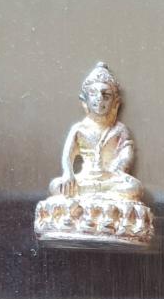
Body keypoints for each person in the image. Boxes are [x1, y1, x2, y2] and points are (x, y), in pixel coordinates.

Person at [49, 62, 142, 201]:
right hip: (86, 178)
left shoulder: (120, 130)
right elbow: (67, 155)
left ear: (115, 102)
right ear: (84, 100)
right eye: (93, 93)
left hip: (110, 179)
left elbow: (126, 155)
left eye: (106, 95)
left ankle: (102, 197)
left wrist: (113, 171)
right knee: (56, 186)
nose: (99, 98)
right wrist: (68, 173)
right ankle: (99, 198)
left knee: (134, 188)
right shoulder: (79, 129)